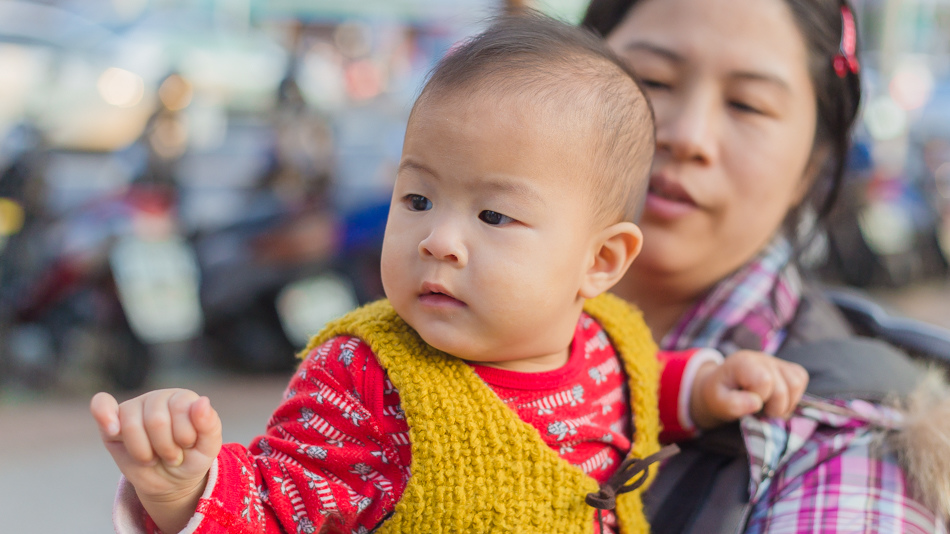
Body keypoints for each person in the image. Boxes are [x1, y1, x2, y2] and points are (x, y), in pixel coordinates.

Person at [90, 14, 806, 534]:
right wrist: (185, 489)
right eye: (418, 198)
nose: (440, 240)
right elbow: (277, 503)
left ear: (600, 261)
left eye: (494, 217)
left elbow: (647, 390)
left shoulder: (611, 342)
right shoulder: (367, 377)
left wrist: (710, 387)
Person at [582, 0, 950, 531]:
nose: (687, 135)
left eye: (748, 105)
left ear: (812, 165)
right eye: (652, 79)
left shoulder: (848, 451)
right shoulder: (432, 302)